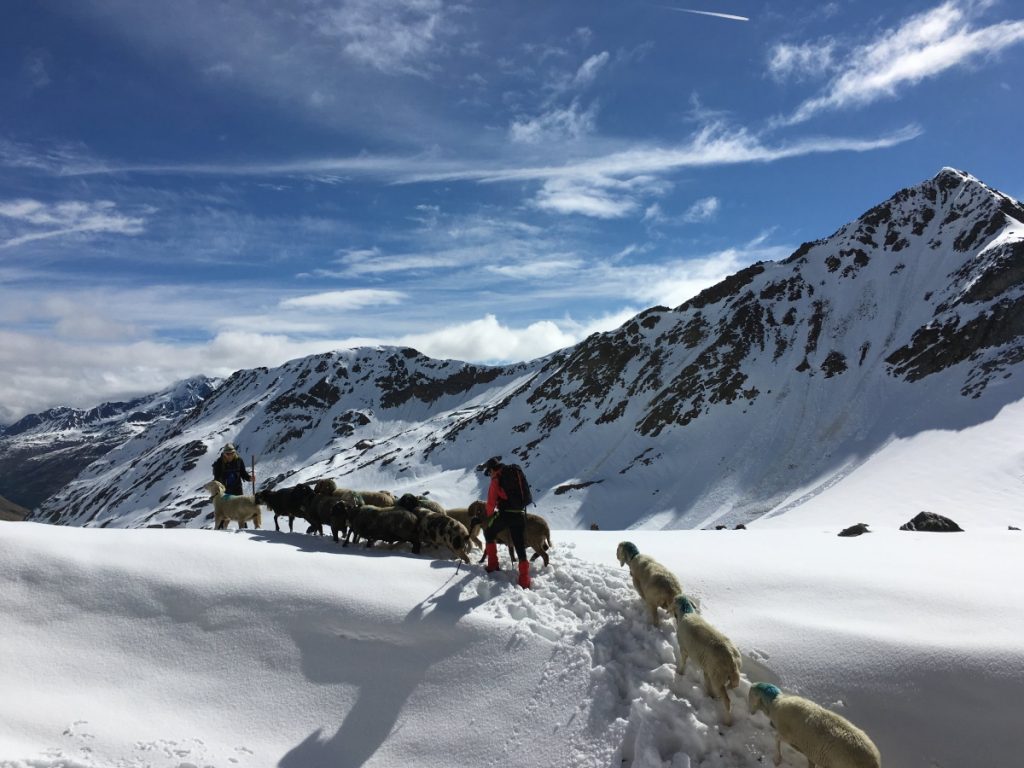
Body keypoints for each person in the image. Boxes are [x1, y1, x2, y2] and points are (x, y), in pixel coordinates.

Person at [476, 456, 531, 589]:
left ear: (492, 470)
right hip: (520, 513)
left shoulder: (497, 478)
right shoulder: (514, 472)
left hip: (506, 514)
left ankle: (493, 565)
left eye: (489, 472)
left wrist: (488, 516)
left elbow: (491, 502)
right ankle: (524, 579)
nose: (489, 475)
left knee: (489, 532)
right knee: (519, 544)